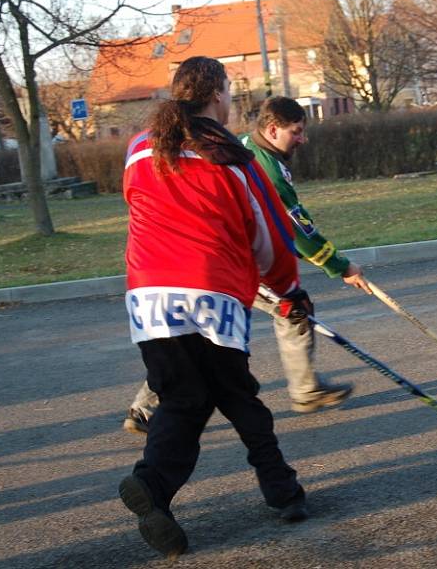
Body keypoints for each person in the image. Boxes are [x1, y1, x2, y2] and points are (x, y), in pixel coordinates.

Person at [118, 56, 309, 559]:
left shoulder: (139, 148)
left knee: (182, 398)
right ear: (218, 95)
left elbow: (138, 205)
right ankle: (283, 491)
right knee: (239, 396)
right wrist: (288, 290)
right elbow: (267, 237)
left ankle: (152, 487)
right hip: (211, 292)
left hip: (147, 294)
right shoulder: (231, 156)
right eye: (228, 92)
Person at [123, 96, 371, 434]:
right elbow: (296, 231)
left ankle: (146, 408)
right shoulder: (265, 166)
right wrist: (341, 266)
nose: (302, 139)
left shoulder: (245, 148)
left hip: (222, 257)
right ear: (272, 130)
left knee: (191, 335)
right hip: (233, 262)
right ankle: (303, 391)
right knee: (287, 310)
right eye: (296, 132)